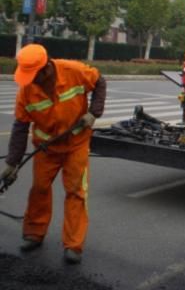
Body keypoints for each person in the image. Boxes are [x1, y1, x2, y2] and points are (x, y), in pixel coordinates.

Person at [0, 44, 106, 264]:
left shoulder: (73, 71)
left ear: (46, 68)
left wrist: (93, 112)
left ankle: (73, 245)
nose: (30, 81)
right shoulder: (26, 91)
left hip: (76, 143)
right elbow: (20, 128)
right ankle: (33, 233)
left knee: (76, 192)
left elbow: (99, 82)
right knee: (39, 188)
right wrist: (12, 164)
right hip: (46, 147)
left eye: (33, 75)